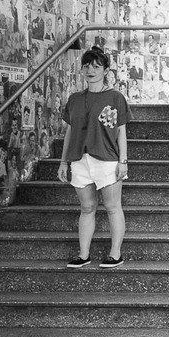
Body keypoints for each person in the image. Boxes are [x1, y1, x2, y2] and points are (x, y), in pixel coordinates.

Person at [57, 46, 131, 269]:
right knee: (87, 208)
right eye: (87, 66)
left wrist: (123, 161)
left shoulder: (116, 98)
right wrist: (63, 162)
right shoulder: (75, 99)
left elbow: (121, 131)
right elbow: (70, 131)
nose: (91, 70)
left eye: (97, 66)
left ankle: (115, 254)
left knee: (112, 207)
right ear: (81, 70)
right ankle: (83, 254)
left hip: (107, 159)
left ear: (106, 70)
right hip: (80, 159)